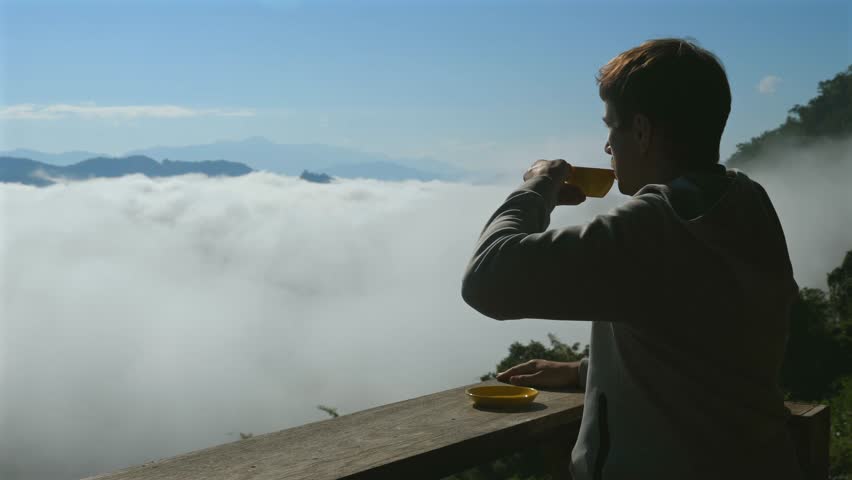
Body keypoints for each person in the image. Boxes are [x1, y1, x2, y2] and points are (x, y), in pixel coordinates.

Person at [460, 38, 804, 480]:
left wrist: (536, 189)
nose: (608, 147)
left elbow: (487, 280)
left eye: (612, 128)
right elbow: (704, 341)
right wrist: (586, 371)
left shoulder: (659, 226)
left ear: (641, 131)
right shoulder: (744, 200)